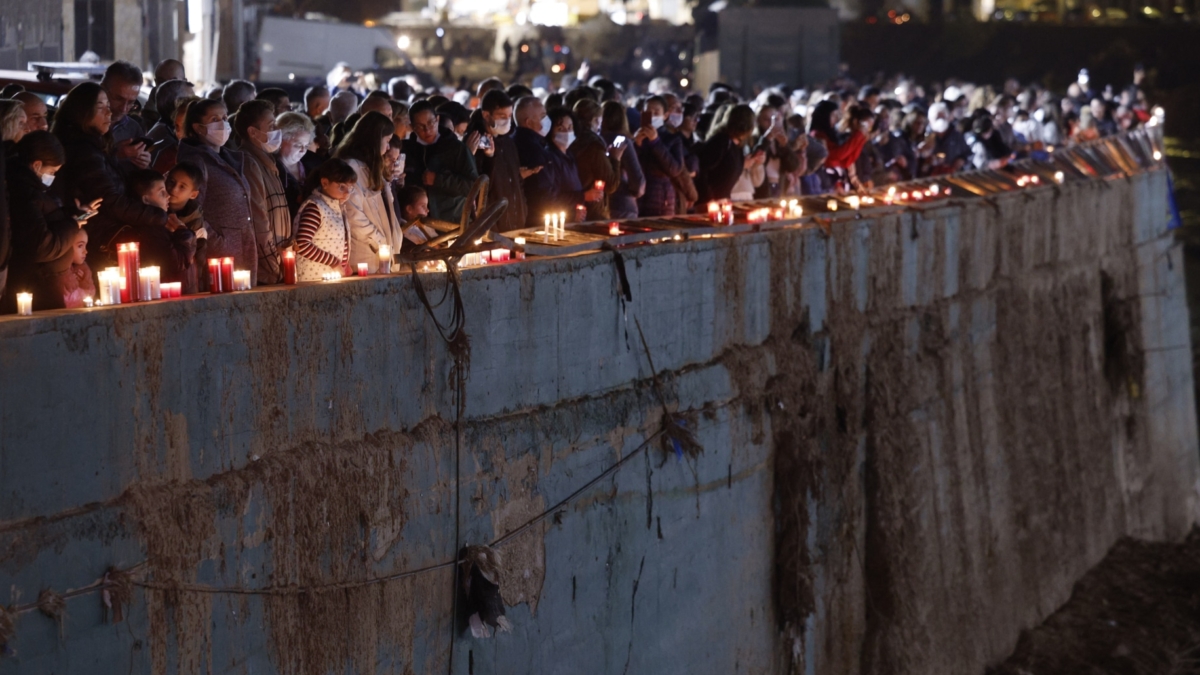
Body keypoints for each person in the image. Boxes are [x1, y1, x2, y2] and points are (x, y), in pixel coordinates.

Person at [51, 82, 169, 267]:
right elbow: (109, 200)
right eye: (100, 107)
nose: (109, 113)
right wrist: (157, 216)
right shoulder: (83, 151)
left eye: (108, 106)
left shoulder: (96, 148)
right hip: (99, 244)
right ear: (82, 112)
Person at [2, 130, 96, 312]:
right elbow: (42, 245)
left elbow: (52, 220)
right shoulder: (25, 193)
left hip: (42, 283)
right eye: (52, 171)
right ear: (37, 165)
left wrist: (77, 215)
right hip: (37, 287)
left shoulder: (30, 190)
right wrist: (73, 223)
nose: (52, 178)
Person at [176, 98, 259, 285]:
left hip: (242, 247)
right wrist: (217, 240)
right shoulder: (196, 162)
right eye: (214, 119)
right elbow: (190, 208)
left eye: (224, 117)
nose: (222, 123)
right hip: (219, 255)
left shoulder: (229, 158)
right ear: (198, 128)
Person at [333, 111, 402, 273]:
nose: (387, 148)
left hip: (382, 254)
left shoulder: (372, 166)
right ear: (374, 139)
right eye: (386, 141)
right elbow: (353, 214)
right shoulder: (351, 167)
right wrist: (379, 240)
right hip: (366, 256)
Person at [235, 100, 291, 283]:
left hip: (279, 260)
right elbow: (259, 220)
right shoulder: (250, 164)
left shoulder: (268, 162)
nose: (276, 130)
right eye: (271, 126)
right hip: (267, 269)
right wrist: (273, 266)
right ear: (253, 132)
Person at [402, 100, 478, 223]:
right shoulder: (406, 151)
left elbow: (472, 186)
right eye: (420, 126)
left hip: (453, 221)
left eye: (430, 123)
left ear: (437, 119)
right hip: (417, 224)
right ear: (412, 127)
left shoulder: (456, 148)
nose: (427, 130)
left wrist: (438, 180)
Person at [126, 168, 196, 285]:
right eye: (162, 192)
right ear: (146, 200)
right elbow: (177, 264)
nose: (168, 195)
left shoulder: (158, 225)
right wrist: (183, 231)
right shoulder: (151, 230)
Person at [470, 90, 527, 232]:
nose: (507, 121)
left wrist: (522, 209)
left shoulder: (508, 142)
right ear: (486, 115)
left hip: (515, 221)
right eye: (502, 116)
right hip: (492, 225)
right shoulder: (474, 142)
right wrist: (490, 157)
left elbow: (516, 180)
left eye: (509, 116)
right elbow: (478, 185)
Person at [293, 158, 355, 281]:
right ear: (325, 183)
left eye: (351, 188)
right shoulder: (315, 208)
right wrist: (334, 262)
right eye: (342, 187)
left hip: (328, 277)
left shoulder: (337, 207)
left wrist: (343, 263)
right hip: (312, 278)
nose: (347, 193)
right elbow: (302, 244)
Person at [569, 99, 622, 221]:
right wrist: (615, 159)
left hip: (572, 207)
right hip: (592, 212)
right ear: (595, 120)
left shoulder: (571, 140)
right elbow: (610, 184)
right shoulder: (593, 146)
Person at [635, 96, 685, 217]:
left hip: (661, 199)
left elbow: (675, 169)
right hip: (637, 197)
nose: (652, 115)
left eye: (656, 112)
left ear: (665, 115)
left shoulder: (672, 139)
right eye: (648, 112)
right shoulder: (637, 136)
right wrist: (636, 146)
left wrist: (655, 142)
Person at [696, 104, 755, 203]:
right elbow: (703, 169)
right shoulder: (721, 141)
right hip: (709, 202)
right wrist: (709, 198)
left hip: (723, 201)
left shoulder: (737, 146)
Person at [166, 162, 208, 293]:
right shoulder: (155, 211)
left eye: (182, 187)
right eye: (171, 182)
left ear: (193, 194)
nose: (173, 189)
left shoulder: (195, 222)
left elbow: (199, 259)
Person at [100, 61, 150, 170]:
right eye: (118, 99)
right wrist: (115, 155)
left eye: (131, 102)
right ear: (103, 89)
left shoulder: (133, 128)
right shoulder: (83, 124)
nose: (123, 109)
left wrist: (145, 165)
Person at [598, 101, 644, 219]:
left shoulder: (596, 140)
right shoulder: (623, 141)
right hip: (622, 204)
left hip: (599, 203)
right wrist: (634, 192)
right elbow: (637, 179)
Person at [277, 112, 316, 215]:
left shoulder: (315, 164)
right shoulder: (270, 169)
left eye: (306, 146)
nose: (303, 150)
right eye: (298, 145)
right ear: (280, 140)